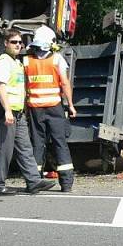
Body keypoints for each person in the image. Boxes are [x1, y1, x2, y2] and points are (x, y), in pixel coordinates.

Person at [0, 29, 56, 196]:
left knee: (25, 148)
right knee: (4, 150)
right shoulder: (3, 61)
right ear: (5, 43)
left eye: (20, 42)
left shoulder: (16, 63)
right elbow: (1, 86)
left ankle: (33, 181)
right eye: (14, 42)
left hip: (17, 114)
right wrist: (8, 111)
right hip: (5, 112)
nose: (18, 45)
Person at [24, 26, 76, 192]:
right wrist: (71, 105)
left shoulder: (26, 61)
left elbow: (24, 86)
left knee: (37, 144)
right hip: (54, 107)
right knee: (60, 143)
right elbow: (65, 83)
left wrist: (25, 107)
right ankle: (66, 184)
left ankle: (34, 181)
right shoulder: (57, 59)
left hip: (34, 109)